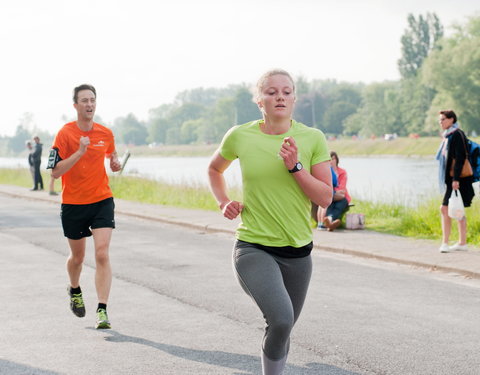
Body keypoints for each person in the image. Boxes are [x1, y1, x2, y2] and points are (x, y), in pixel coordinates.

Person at [207, 69, 332, 375]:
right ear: (259, 100)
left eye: (286, 92)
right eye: (271, 92)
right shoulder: (240, 135)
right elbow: (214, 170)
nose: (279, 97)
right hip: (254, 247)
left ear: (294, 99)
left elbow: (326, 197)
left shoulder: (312, 138)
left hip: (299, 252)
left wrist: (296, 167)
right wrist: (224, 202)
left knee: (283, 329)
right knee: (280, 319)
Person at [48, 84, 121, 329]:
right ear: (76, 105)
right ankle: (75, 289)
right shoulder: (64, 134)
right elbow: (55, 172)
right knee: (77, 258)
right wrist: (79, 152)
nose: (89, 104)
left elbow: (111, 154)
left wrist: (115, 162)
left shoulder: (105, 133)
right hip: (73, 204)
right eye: (84, 101)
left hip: (101, 200)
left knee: (101, 253)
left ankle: (102, 310)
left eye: (92, 100)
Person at [436, 110, 474, 253]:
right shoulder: (449, 135)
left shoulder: (456, 134)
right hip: (453, 179)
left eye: (443, 119)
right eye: (439, 120)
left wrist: (456, 179)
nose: (441, 122)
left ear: (451, 119)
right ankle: (462, 243)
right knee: (458, 209)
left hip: (457, 178)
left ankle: (445, 243)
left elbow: (460, 158)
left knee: (445, 208)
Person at [317, 151, 351, 231]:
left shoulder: (342, 172)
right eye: (329, 159)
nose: (331, 161)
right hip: (330, 195)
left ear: (336, 160)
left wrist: (335, 191)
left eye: (333, 159)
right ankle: (327, 222)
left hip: (340, 197)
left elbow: (342, 189)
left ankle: (328, 220)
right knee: (328, 202)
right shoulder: (327, 171)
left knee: (340, 203)